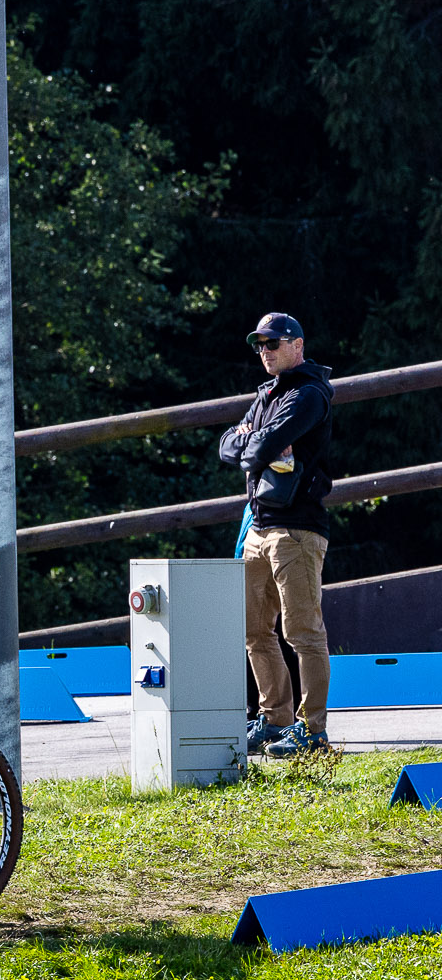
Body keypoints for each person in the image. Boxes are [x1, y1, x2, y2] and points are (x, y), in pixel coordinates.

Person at [218, 312, 335, 758]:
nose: (264, 351)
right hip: (258, 527)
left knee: (303, 632)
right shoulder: (267, 394)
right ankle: (275, 718)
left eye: (272, 343)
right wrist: (253, 441)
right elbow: (228, 446)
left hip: (298, 529)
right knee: (253, 630)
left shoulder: (309, 394)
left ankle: (313, 730)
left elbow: (258, 449)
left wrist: (255, 441)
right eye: (259, 345)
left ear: (297, 345)